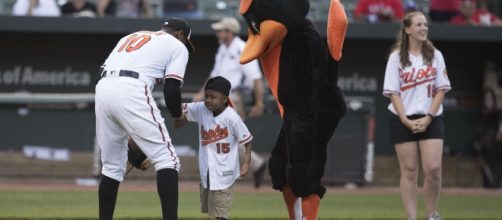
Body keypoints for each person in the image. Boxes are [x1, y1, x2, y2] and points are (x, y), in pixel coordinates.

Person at [95, 17, 194, 220]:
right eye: (185, 41)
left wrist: (132, 127)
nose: (185, 46)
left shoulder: (131, 35)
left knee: (112, 167)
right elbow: (172, 89)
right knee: (168, 160)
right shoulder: (177, 45)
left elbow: (99, 74)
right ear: (181, 35)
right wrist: (177, 115)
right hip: (133, 87)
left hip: (103, 88)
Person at [383, 11, 452, 220]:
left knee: (433, 168)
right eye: (419, 25)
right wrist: (405, 119)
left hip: (431, 117)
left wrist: (430, 117)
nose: (424, 28)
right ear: (408, 29)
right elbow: (393, 92)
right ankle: (411, 217)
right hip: (403, 117)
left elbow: (441, 88)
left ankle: (431, 214)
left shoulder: (435, 55)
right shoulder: (396, 57)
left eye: (425, 25)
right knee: (410, 170)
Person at [193, 17, 267, 188]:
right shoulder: (222, 49)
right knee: (224, 138)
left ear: (229, 32)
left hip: (232, 98)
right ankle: (257, 164)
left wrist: (260, 103)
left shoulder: (242, 48)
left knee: (225, 137)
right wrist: (200, 93)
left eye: (221, 30)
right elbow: (214, 76)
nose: (218, 33)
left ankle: (249, 167)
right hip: (218, 97)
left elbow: (255, 78)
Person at [174, 76, 252, 220]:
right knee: (211, 211)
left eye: (213, 97)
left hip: (225, 172)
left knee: (221, 215)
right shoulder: (202, 108)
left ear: (224, 99)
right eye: (206, 96)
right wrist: (179, 117)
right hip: (207, 172)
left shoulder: (232, 118)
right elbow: (181, 110)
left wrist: (246, 162)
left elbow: (247, 140)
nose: (208, 100)